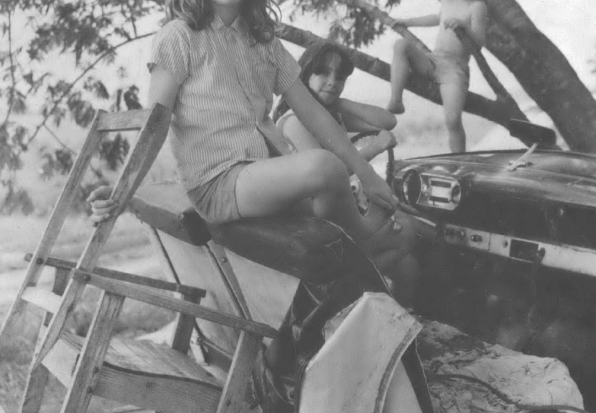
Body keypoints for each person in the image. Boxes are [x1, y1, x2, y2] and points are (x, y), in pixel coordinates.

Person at [89, 0, 405, 267]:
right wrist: (122, 191)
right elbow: (154, 125)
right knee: (324, 167)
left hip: (257, 173)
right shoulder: (179, 36)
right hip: (215, 182)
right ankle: (365, 246)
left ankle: (348, 261)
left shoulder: (264, 42)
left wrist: (367, 174)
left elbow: (312, 112)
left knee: (338, 211)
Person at [272, 41, 430, 303]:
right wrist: (376, 147)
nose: (333, 81)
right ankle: (343, 288)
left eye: (340, 77)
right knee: (409, 232)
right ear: (304, 74)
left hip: (341, 208)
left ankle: (399, 315)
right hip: (315, 217)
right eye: (323, 73)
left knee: (408, 267)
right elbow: (331, 170)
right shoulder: (293, 121)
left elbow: (387, 120)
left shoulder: (331, 114)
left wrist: (338, 101)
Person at [386, 0, 488, 152]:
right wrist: (408, 22)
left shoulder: (477, 6)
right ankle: (396, 100)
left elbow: (479, 44)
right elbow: (436, 18)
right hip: (434, 60)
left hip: (455, 68)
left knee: (453, 120)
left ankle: (458, 163)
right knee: (400, 45)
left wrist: (464, 26)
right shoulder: (448, 2)